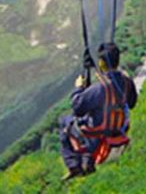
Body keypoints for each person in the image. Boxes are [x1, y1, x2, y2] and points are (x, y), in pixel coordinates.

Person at [59, 42, 138, 180]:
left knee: (65, 121)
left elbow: (78, 108)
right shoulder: (126, 82)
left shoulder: (99, 88)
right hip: (118, 129)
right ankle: (87, 161)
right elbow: (132, 103)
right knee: (91, 118)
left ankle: (74, 166)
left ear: (101, 62)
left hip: (97, 134)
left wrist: (79, 88)